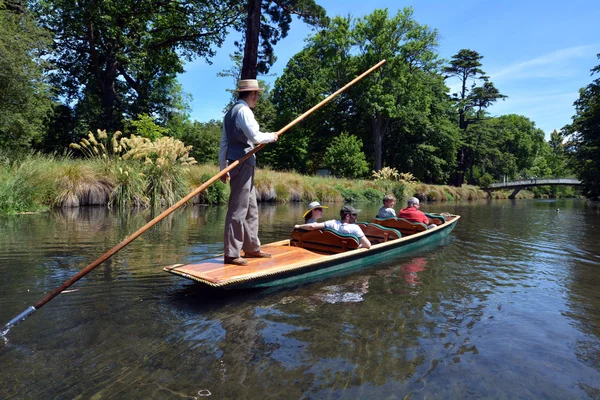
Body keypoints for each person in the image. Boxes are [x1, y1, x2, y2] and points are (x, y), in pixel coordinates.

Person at [219, 79, 279, 266]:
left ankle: (252, 248)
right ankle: (231, 253)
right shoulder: (244, 111)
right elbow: (255, 136)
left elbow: (224, 145)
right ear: (252, 94)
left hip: (242, 164)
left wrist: (223, 167)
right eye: (257, 95)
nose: (257, 99)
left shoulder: (230, 113)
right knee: (238, 208)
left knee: (251, 208)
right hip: (241, 164)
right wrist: (272, 136)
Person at [294, 205, 371, 249]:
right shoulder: (355, 228)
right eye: (354, 215)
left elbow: (312, 226)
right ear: (347, 216)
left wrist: (299, 226)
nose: (356, 217)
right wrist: (360, 245)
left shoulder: (332, 223)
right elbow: (368, 245)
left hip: (331, 250)